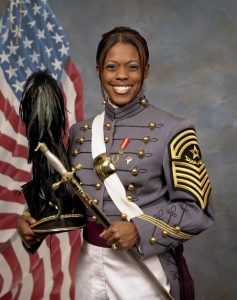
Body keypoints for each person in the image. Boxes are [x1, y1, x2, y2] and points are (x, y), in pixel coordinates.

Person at [17, 26, 214, 300]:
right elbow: (67, 199)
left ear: (145, 71)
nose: (122, 75)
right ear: (99, 70)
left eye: (132, 67)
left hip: (143, 268)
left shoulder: (174, 130)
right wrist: (33, 223)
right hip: (88, 268)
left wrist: (139, 229)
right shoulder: (81, 133)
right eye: (112, 67)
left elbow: (197, 209)